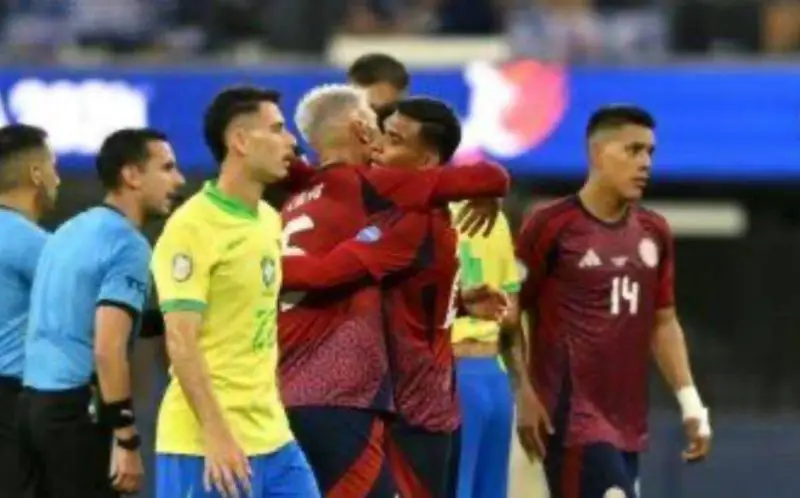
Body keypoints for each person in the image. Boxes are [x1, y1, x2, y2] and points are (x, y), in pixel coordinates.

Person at [279, 86, 509, 497]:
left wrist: (261, 270)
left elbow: (324, 274)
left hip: (413, 410)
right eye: (380, 131)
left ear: (426, 164)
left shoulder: (408, 219)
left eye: (394, 139)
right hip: (403, 399)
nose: (378, 145)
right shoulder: (391, 206)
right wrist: (459, 302)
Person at [515, 105, 712, 498]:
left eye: (650, 152)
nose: (645, 163)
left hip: (627, 423)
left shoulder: (654, 230)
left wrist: (691, 404)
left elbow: (663, 322)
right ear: (597, 153)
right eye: (633, 150)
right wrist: (523, 392)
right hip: (569, 420)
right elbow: (509, 312)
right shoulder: (550, 225)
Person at [151, 87, 320, 498]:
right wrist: (217, 434)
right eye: (276, 129)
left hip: (272, 436)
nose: (291, 141)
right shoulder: (192, 226)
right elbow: (180, 340)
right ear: (240, 141)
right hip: (205, 444)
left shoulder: (268, 219)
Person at [19, 128, 184, 498]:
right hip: (77, 413)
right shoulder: (128, 244)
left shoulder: (70, 229)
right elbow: (108, 348)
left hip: (32, 408)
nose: (179, 180)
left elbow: (77, 319)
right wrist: (126, 436)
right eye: (167, 168)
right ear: (132, 175)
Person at [449, 201, 532, 498]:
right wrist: (523, 390)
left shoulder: (425, 211)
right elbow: (510, 314)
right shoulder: (494, 218)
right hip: (490, 376)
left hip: (459, 374)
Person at [0, 124, 59, 498]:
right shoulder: (34, 245)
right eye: (53, 165)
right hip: (11, 400)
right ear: (36, 174)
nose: (58, 177)